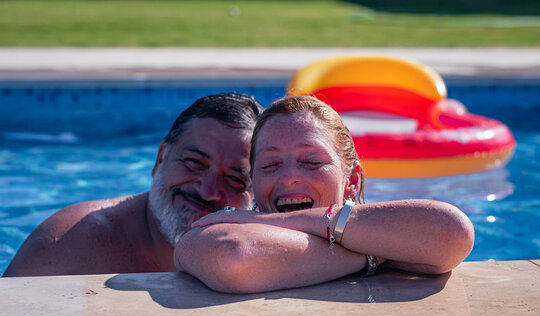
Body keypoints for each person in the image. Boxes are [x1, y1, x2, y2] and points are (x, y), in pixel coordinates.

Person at [175, 96, 475, 294]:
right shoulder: (218, 229)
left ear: (352, 180)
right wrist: (372, 256)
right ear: (253, 181)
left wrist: (314, 225)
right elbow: (236, 257)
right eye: (269, 164)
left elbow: (453, 233)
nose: (289, 176)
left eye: (311, 162)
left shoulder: (382, 224)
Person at [4, 93, 264, 277]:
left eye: (235, 179)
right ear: (160, 158)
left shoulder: (260, 254)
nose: (208, 190)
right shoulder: (71, 243)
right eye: (194, 163)